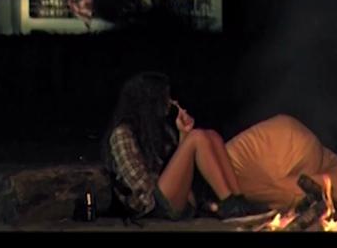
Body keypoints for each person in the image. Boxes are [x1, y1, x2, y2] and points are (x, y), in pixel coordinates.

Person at [103, 72, 265, 221]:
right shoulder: (122, 133)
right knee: (197, 137)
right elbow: (141, 186)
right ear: (149, 101)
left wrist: (183, 133)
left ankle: (238, 200)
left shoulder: (159, 129)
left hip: (172, 196)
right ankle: (229, 204)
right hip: (151, 204)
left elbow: (180, 164)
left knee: (212, 135)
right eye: (164, 97)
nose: (170, 102)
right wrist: (171, 177)